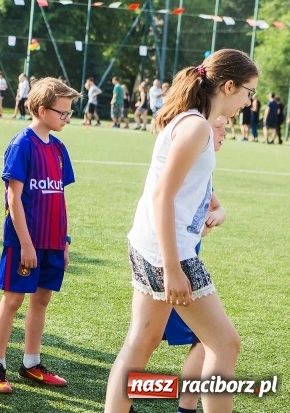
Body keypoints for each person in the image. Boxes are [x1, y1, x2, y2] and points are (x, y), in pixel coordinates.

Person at [104, 49, 257, 413]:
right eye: (249, 93)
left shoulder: (193, 123)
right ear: (229, 85)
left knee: (140, 343)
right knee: (225, 345)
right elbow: (162, 195)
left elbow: (182, 184)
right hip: (165, 254)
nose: (249, 102)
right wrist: (172, 267)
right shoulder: (196, 126)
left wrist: (213, 210)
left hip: (150, 245)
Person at [0, 77, 80, 394]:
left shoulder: (59, 148)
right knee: (13, 299)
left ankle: (31, 363)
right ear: (42, 109)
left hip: (53, 241)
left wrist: (64, 242)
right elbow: (13, 199)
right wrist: (26, 243)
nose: (67, 118)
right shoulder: (22, 144)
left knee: (42, 299)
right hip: (25, 241)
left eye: (69, 113)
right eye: (62, 112)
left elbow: (59, 198)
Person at [164, 117, 227, 413]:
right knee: (210, 339)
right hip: (173, 263)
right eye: (220, 126)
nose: (225, 133)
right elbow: (165, 203)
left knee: (143, 339)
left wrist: (218, 214)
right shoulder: (189, 162)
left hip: (181, 258)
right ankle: (186, 408)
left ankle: (185, 407)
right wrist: (173, 267)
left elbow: (215, 207)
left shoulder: (204, 172)